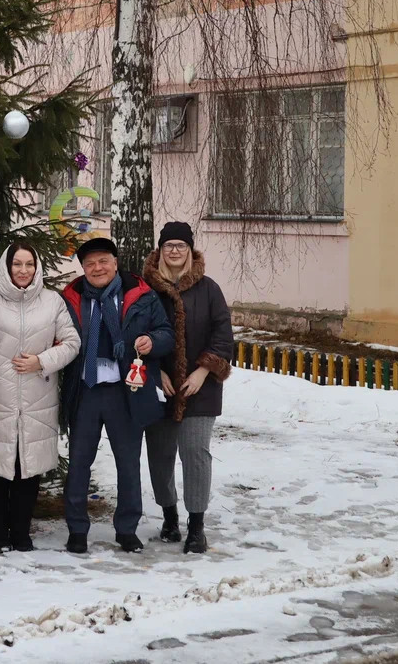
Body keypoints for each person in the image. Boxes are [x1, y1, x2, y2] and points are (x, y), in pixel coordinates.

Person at [60, 232, 174, 555]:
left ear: (115, 264)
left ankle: (127, 529)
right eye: (90, 263)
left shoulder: (141, 295)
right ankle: (77, 531)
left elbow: (167, 333)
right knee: (79, 463)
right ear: (83, 268)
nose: (97, 269)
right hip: (85, 390)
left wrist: (153, 342)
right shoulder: (71, 299)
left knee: (128, 463)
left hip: (126, 390)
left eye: (103, 262)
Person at [0, 243, 81, 553]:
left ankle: (21, 534)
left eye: (28, 264)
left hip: (36, 396)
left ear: (37, 267)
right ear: (6, 267)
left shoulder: (51, 302)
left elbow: (72, 343)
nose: (22, 270)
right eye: (16, 264)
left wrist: (41, 361)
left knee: (27, 468)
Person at [142, 222, 234, 554]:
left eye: (181, 245)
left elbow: (223, 334)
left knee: (195, 455)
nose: (175, 251)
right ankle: (169, 518)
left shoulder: (209, 289)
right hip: (159, 389)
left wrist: (202, 372)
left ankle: (196, 527)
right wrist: (155, 375)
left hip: (200, 388)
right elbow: (136, 334)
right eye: (169, 245)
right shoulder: (146, 289)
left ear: (191, 250)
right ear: (160, 250)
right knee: (160, 457)